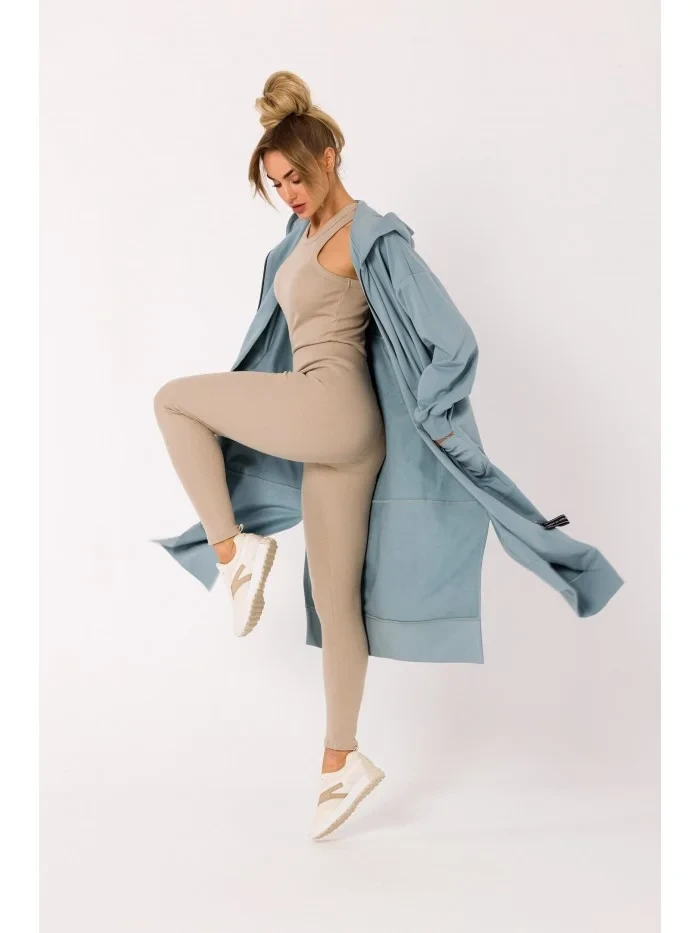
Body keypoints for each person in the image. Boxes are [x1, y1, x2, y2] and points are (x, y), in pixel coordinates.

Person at [153, 71, 453, 840]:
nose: (288, 192)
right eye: (275, 182)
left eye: (296, 175)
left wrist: (443, 418)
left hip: (331, 408)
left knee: (174, 400)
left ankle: (234, 551)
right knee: (335, 600)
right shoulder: (304, 236)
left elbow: (451, 337)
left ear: (329, 156)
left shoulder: (367, 234)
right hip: (341, 437)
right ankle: (340, 762)